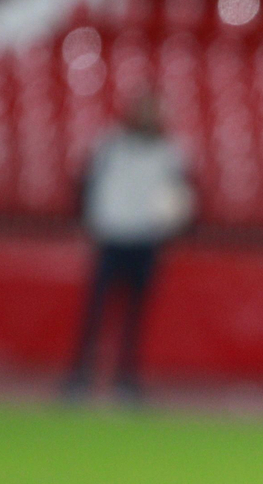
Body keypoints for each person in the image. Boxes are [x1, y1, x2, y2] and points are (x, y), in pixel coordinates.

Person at [63, 89, 193, 403]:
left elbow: (181, 195)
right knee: (95, 313)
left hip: (146, 240)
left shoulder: (171, 152)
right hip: (111, 237)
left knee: (135, 316)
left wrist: (171, 225)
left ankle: (126, 378)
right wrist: (91, 220)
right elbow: (87, 183)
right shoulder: (110, 145)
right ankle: (80, 375)